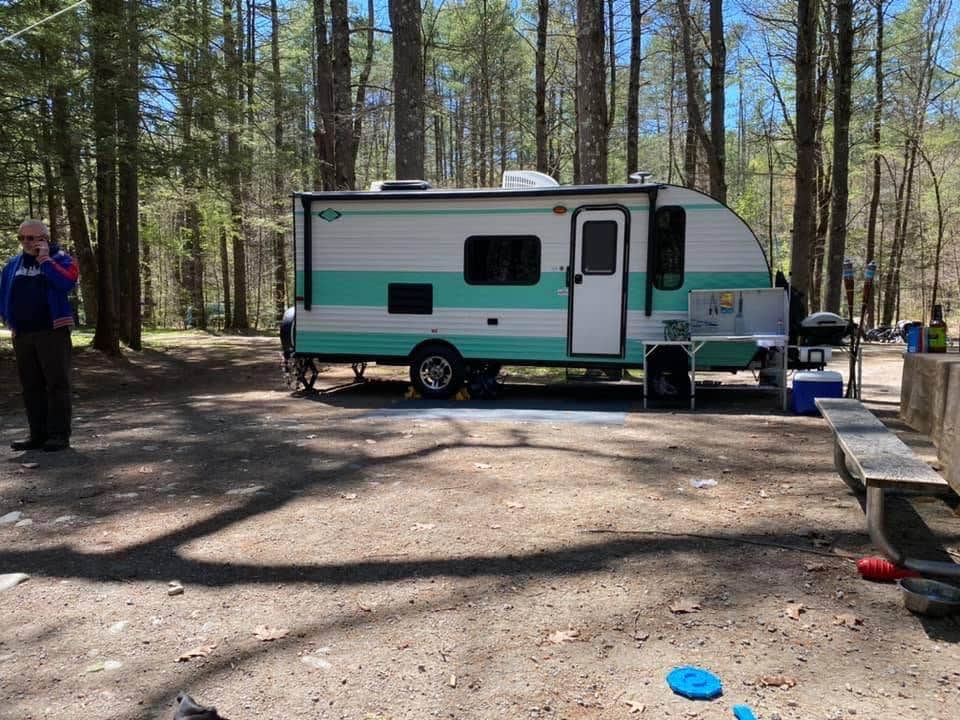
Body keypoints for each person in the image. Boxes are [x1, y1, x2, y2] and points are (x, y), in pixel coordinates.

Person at [0, 219, 79, 451]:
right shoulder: (13, 264)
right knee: (31, 385)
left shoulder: (62, 259)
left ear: (44, 238)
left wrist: (44, 259)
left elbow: (66, 283)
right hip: (23, 333)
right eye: (22, 238)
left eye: (31, 238)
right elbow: (4, 293)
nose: (26, 242)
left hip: (52, 331)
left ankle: (58, 435)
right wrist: (9, 320)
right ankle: (38, 434)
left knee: (57, 383)